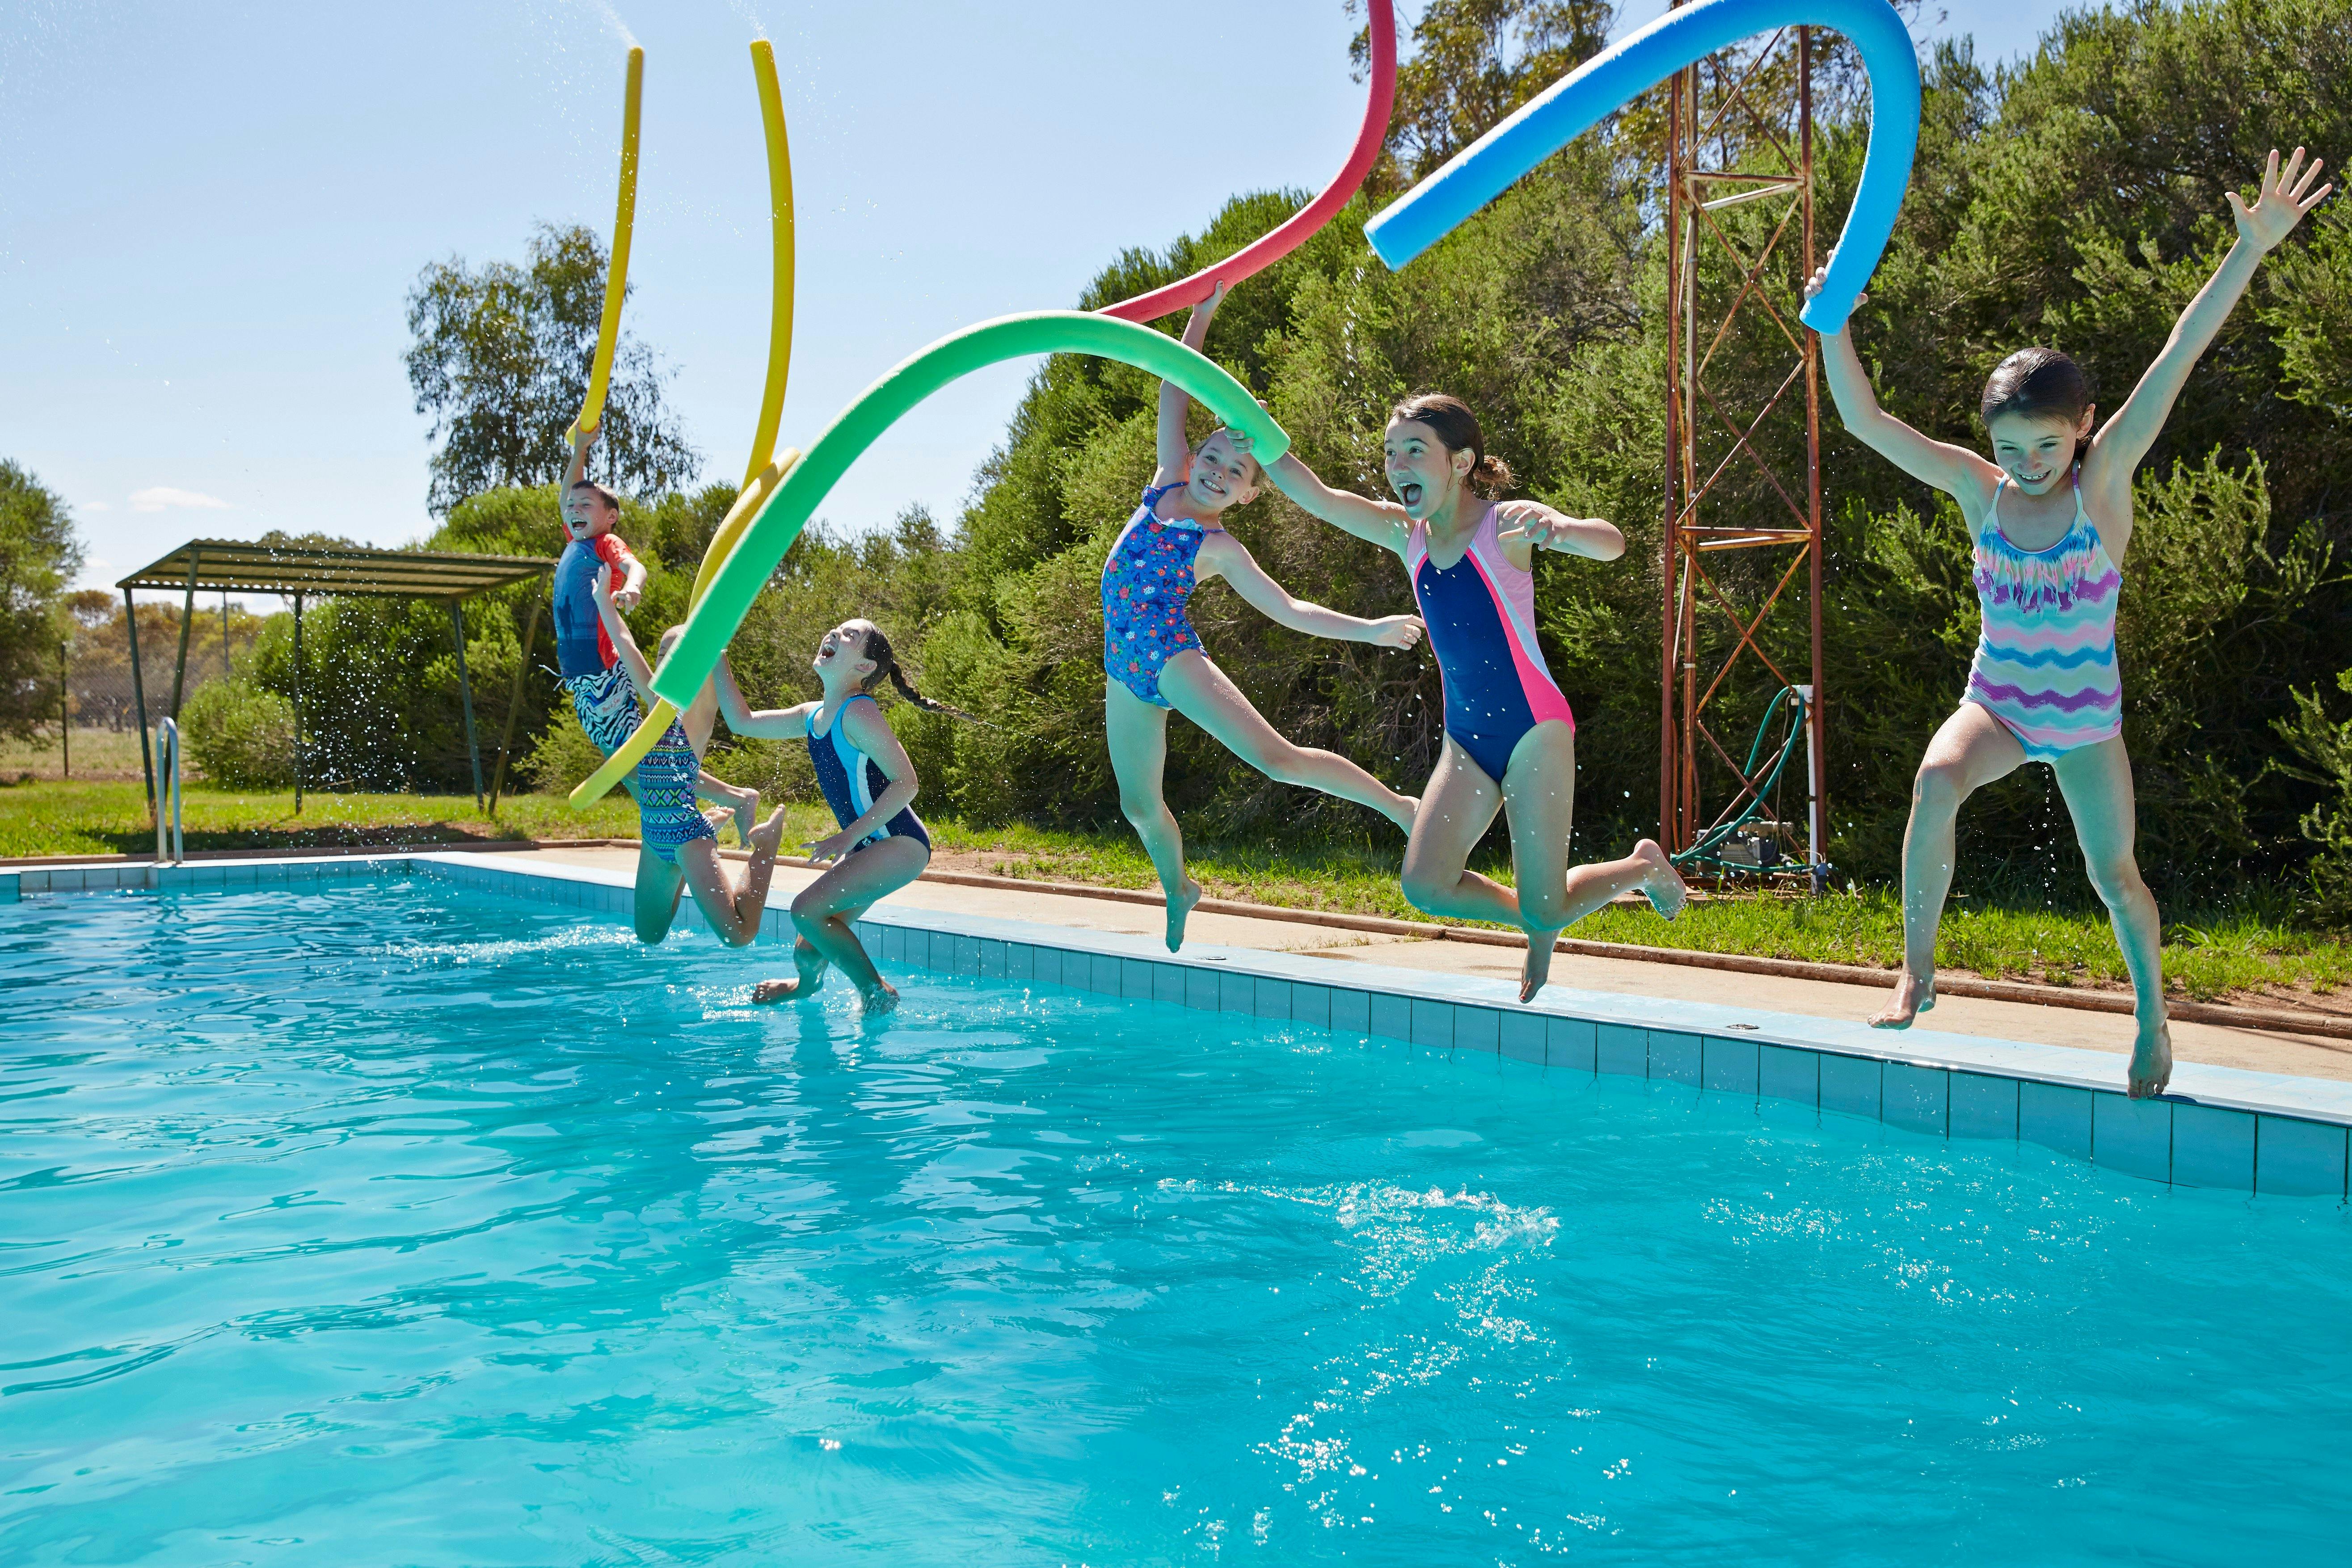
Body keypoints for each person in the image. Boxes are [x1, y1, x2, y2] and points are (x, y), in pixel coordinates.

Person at [1811, 147, 2331, 1098]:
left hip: (2088, 719)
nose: (2027, 464)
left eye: (2046, 444)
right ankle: (1918, 967)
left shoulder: (2103, 483)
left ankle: (2151, 1017)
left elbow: (2179, 354)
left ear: (2085, 424)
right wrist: (1833, 326)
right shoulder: (1982, 491)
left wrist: (2249, 250)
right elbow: (1866, 423)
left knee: (2117, 875)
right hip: (2001, 702)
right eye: (2011, 448)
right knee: (1935, 778)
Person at [1262, 393, 1686, 1002]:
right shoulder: (1402, 533)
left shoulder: (1504, 524)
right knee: (1426, 886)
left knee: (1543, 908)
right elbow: (1318, 498)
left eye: (1415, 451)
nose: (1398, 465)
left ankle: (1641, 868)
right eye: (1390, 453)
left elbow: (1610, 543)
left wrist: (1561, 529)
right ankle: (1541, 921)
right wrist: (1256, 431)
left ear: (1459, 464)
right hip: (1466, 739)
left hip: (1533, 732)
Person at [1107, 281, 1427, 951]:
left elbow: (1288, 609)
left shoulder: (1216, 547)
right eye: (1215, 455)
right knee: (1138, 807)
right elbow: (1173, 388)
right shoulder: (1166, 480)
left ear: (1252, 494)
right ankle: (1178, 888)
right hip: (1122, 668)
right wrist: (1202, 315)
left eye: (1237, 470)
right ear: (1195, 457)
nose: (1219, 470)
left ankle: (1400, 809)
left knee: (1276, 760)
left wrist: (1368, 630)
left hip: (1169, 656)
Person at [716, 620, 965, 1015]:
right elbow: (741, 722)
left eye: (851, 637)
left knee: (806, 911)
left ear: (865, 668)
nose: (834, 634)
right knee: (810, 947)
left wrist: (848, 837)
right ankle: (805, 987)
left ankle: (877, 992)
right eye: (836, 629)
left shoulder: (859, 712)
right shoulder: (811, 715)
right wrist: (717, 658)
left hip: (899, 843)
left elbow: (907, 783)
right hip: (870, 843)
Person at [555, 425, 758, 840]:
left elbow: (636, 566)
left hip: (602, 673)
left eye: (586, 504)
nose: (574, 508)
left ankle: (732, 802)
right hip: (584, 680)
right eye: (573, 505)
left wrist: (632, 587)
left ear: (609, 517)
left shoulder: (604, 543)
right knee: (641, 769)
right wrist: (578, 450)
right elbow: (566, 496)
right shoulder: (575, 539)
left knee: (638, 760)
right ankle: (732, 801)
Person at [588, 567, 788, 946]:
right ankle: (719, 815)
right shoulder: (655, 706)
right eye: (661, 654)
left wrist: (712, 648)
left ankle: (766, 845)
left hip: (686, 836)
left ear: (697, 662)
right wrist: (603, 603)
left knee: (739, 935)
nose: (665, 662)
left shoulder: (694, 708)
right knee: (650, 935)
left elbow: (712, 648)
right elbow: (627, 646)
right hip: (654, 836)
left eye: (676, 655)